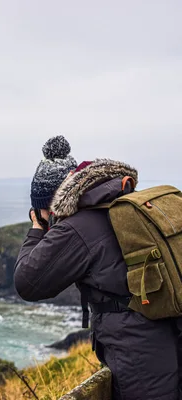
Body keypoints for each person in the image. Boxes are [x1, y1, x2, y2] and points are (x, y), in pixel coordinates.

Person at [14, 135, 181, 400]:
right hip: (168, 332)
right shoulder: (118, 202)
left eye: (41, 212)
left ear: (48, 205)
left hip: (137, 351)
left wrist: (36, 229)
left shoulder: (75, 227)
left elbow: (28, 282)